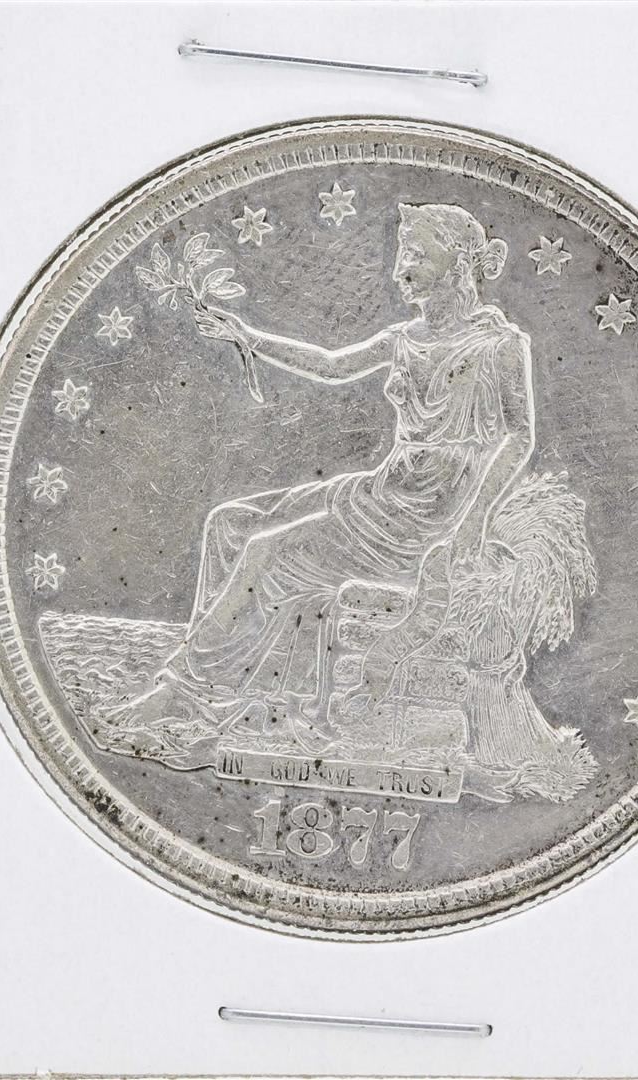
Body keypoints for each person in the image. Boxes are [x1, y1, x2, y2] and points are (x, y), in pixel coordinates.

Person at [111, 202, 536, 764]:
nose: (400, 270)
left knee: (267, 551)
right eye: (401, 255)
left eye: (415, 255)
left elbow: (519, 437)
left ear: (457, 263)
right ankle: (249, 694)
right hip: (380, 494)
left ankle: (186, 692)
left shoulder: (499, 346)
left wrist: (474, 521)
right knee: (230, 523)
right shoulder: (403, 338)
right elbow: (333, 365)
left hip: (427, 515)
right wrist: (249, 338)